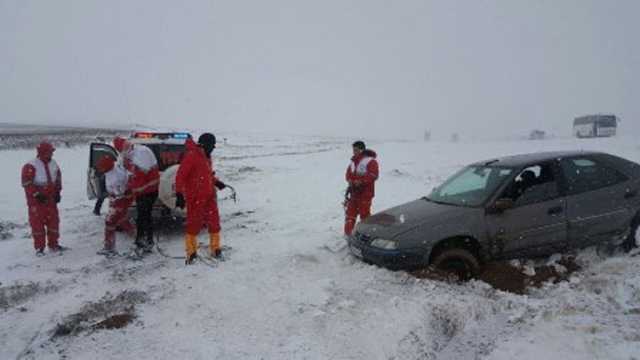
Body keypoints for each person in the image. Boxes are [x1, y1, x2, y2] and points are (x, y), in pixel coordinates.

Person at [175, 133, 227, 264]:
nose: (214, 148)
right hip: (196, 197)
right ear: (205, 144)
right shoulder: (192, 156)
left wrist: (216, 182)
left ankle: (215, 249)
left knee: (214, 223)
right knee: (193, 224)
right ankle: (191, 252)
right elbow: (180, 176)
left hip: (209, 196)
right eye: (212, 145)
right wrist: (179, 194)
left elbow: (207, 174)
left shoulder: (207, 157)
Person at [113, 136, 159, 252]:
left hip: (149, 191)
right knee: (142, 216)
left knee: (145, 216)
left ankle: (147, 240)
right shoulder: (127, 156)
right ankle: (142, 240)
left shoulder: (142, 153)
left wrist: (134, 186)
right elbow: (126, 174)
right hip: (140, 193)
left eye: (123, 149)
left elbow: (141, 174)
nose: (123, 152)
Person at [21, 142, 66, 256]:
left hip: (50, 199)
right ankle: (39, 248)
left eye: (52, 151)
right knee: (37, 224)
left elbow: (58, 178)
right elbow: (27, 182)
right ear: (42, 152)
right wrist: (36, 194)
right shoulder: (31, 165)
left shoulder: (53, 164)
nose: (51, 154)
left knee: (54, 222)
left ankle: (54, 244)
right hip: (37, 202)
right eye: (50, 151)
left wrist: (57, 193)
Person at [95, 155, 136, 256]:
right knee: (122, 220)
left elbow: (120, 192)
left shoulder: (116, 177)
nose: (100, 169)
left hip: (120, 200)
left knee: (110, 222)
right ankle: (138, 237)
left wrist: (114, 200)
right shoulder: (114, 170)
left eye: (101, 167)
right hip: (119, 198)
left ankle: (109, 247)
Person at [344, 140, 379, 237]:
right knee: (350, 215)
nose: (354, 152)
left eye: (356, 150)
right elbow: (347, 175)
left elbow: (373, 175)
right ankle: (348, 236)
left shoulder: (370, 161)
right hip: (354, 194)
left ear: (362, 150)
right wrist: (350, 180)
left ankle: (367, 236)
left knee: (365, 217)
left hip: (365, 195)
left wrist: (361, 181)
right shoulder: (352, 163)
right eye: (353, 150)